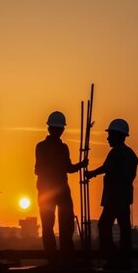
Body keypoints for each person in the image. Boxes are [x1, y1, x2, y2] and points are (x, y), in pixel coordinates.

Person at [35, 111, 87, 264]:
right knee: (57, 224)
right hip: (54, 190)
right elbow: (65, 168)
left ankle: (60, 257)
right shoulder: (54, 147)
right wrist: (79, 166)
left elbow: (66, 168)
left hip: (51, 191)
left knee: (60, 224)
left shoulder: (46, 147)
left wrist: (80, 165)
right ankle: (60, 257)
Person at [86, 118, 138, 269]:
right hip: (124, 197)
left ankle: (114, 258)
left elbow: (106, 168)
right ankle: (124, 260)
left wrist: (91, 174)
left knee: (103, 225)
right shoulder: (131, 155)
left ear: (118, 136)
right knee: (124, 228)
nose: (108, 138)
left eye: (110, 135)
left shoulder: (117, 152)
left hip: (115, 197)